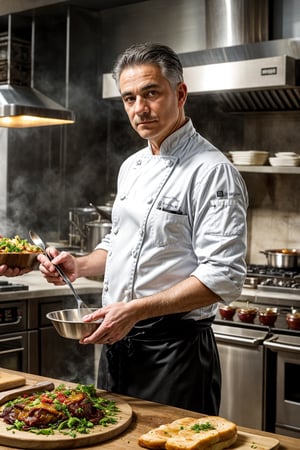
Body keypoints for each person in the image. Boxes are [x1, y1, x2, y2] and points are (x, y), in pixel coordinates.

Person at [5, 43, 249, 414]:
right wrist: (80, 265)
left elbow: (224, 276)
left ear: (180, 93)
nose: (139, 109)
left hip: (174, 352)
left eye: (151, 93)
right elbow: (121, 242)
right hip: (118, 343)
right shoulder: (132, 166)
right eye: (129, 98)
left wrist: (135, 310)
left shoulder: (212, 171)